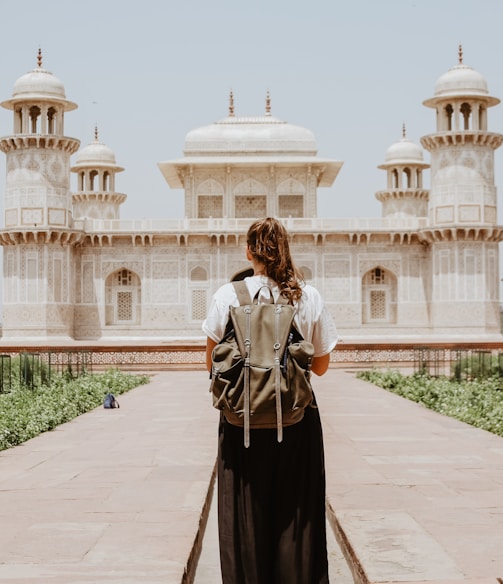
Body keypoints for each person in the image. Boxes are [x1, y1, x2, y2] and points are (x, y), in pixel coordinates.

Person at [202, 217, 338, 584]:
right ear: (286, 250)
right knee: (297, 515)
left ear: (248, 252)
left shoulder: (227, 295)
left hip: (241, 423)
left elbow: (211, 363)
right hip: (297, 421)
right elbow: (322, 366)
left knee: (244, 517)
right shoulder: (307, 297)